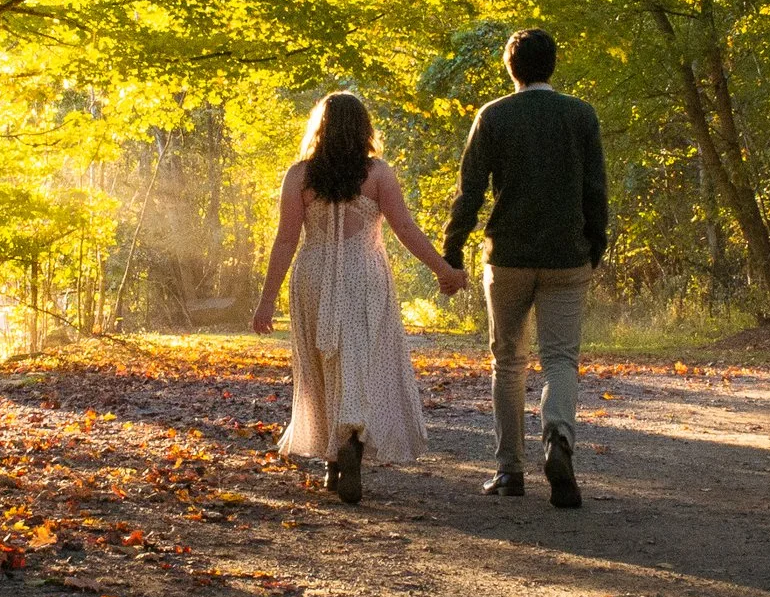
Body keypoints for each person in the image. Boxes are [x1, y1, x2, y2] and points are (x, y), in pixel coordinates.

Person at [253, 92, 467, 504]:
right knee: (360, 361)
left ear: (321, 127)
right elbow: (405, 230)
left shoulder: (300, 176)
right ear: (364, 128)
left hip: (312, 273)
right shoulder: (378, 174)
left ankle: (335, 457)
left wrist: (266, 301)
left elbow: (285, 240)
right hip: (364, 274)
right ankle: (351, 438)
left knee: (323, 363)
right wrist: (445, 271)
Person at [441, 28, 607, 509]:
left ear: (510, 68)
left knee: (508, 362)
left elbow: (469, 191)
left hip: (509, 256)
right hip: (566, 256)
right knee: (560, 359)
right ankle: (558, 438)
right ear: (552, 65)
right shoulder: (580, 115)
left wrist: (453, 250)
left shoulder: (493, 116)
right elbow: (595, 188)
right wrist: (595, 243)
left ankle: (510, 472)